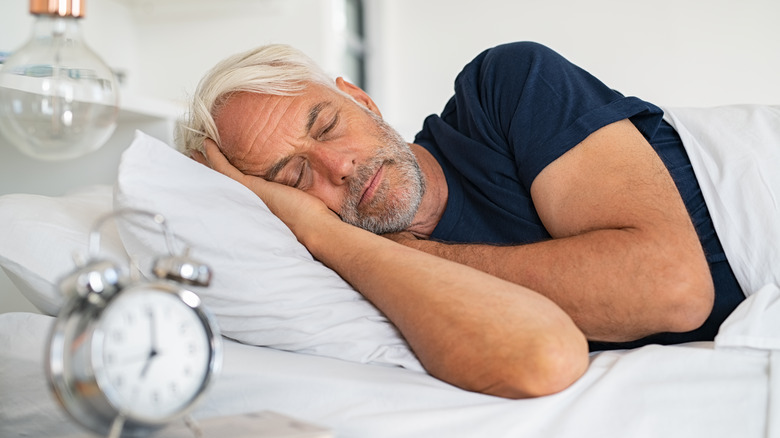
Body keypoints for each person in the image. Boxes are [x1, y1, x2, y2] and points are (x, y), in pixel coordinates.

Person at [176, 42, 746, 398]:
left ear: (361, 99)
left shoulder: (503, 88)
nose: (339, 166)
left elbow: (670, 288)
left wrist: (409, 253)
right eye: (294, 177)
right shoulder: (341, 274)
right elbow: (536, 360)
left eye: (326, 125)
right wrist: (323, 235)